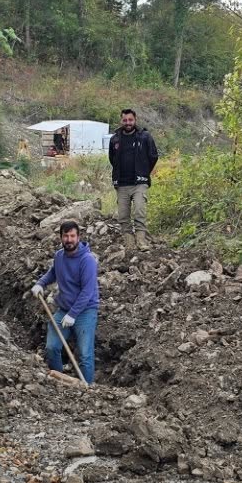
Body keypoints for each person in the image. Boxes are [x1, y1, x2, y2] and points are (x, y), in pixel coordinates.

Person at [30, 219, 99, 384]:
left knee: (84, 354)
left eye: (72, 236)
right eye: (66, 236)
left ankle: (87, 389)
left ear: (78, 237)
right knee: (52, 347)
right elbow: (53, 273)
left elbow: (87, 292)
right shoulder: (59, 256)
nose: (69, 240)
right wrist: (40, 283)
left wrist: (73, 314)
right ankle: (58, 381)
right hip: (64, 308)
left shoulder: (87, 260)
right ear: (61, 237)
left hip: (85, 311)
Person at [108, 107, 159, 249]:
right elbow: (112, 159)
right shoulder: (115, 139)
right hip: (122, 183)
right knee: (123, 215)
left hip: (139, 182)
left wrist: (144, 171)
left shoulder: (145, 137)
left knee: (139, 211)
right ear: (121, 120)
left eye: (130, 120)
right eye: (125, 120)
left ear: (135, 120)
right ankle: (129, 243)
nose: (128, 122)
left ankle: (141, 241)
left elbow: (153, 156)